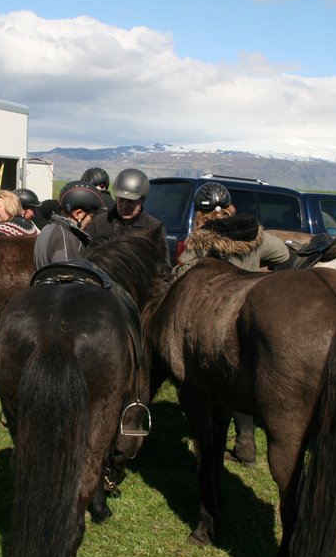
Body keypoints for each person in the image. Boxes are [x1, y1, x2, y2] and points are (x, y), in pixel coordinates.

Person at [173, 181, 291, 466]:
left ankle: (208, 449)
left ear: (200, 213)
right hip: (250, 315)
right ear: (230, 207)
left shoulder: (200, 241)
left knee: (207, 382)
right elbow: (284, 256)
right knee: (241, 376)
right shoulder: (255, 236)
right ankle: (246, 445)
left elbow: (181, 276)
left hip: (212, 319)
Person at [87, 168, 170, 266]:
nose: (125, 206)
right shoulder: (98, 224)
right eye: (121, 200)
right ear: (116, 197)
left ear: (142, 200)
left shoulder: (154, 228)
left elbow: (164, 265)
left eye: (131, 201)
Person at [33, 181, 106, 269]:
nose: (92, 221)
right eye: (92, 216)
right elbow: (66, 275)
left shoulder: (49, 227)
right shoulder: (68, 238)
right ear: (78, 214)